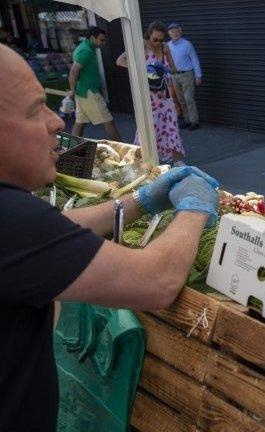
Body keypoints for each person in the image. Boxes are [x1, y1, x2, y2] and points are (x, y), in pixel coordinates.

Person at [0, 43, 220, 431]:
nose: (56, 122)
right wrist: (194, 210)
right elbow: (157, 281)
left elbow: (54, 236)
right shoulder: (9, 218)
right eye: (36, 109)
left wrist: (139, 201)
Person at [117, 21, 185, 165]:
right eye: (155, 39)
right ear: (149, 35)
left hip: (165, 96)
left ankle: (177, 160)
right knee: (148, 130)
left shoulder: (164, 47)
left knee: (171, 127)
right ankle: (139, 161)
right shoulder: (142, 45)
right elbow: (120, 61)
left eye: (161, 39)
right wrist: (143, 70)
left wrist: (163, 67)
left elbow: (173, 69)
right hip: (149, 98)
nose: (157, 42)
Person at [68, 26, 122, 141]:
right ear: (92, 38)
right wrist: (72, 90)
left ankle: (70, 149)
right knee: (108, 121)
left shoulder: (83, 48)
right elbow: (73, 72)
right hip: (89, 93)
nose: (103, 43)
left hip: (82, 92)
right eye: (101, 40)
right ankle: (122, 151)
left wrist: (74, 91)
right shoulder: (86, 52)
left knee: (80, 123)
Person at [167, 23, 202, 130]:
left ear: (180, 31)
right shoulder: (167, 45)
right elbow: (167, 62)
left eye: (177, 31)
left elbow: (194, 59)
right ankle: (187, 120)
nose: (175, 33)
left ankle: (194, 121)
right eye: (172, 31)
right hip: (174, 76)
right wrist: (168, 76)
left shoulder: (187, 44)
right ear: (169, 33)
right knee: (180, 99)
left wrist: (198, 75)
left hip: (187, 75)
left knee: (188, 98)